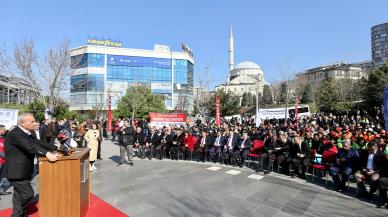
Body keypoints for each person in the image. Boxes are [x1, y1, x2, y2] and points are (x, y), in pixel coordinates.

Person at [2, 113, 58, 217]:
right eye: (32, 121)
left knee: (18, 195)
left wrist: (55, 148)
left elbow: (37, 142)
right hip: (16, 171)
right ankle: (17, 215)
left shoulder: (27, 133)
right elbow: (30, 147)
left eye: (34, 121)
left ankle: (18, 214)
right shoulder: (15, 133)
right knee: (28, 194)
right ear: (22, 123)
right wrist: (47, 153)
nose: (35, 123)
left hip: (23, 170)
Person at [0, 125, 11, 197]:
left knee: (2, 177)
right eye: (3, 129)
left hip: (3, 161)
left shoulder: (2, 138)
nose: (5, 130)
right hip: (1, 160)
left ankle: (1, 190)